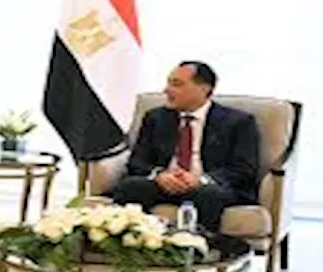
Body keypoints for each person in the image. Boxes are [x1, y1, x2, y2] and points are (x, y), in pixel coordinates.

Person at [111, 61, 260, 232]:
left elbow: (244, 169)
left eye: (176, 84)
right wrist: (159, 175)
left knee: (208, 195)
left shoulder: (239, 122)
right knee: (130, 187)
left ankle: (197, 245)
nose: (166, 90)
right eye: (168, 83)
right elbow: (137, 161)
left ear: (204, 89)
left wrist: (201, 180)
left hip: (208, 187)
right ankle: (134, 243)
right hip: (164, 184)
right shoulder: (156, 117)